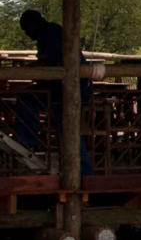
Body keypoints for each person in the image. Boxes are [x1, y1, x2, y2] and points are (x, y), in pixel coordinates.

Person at [17, 10, 91, 171]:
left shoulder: (51, 33)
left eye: (26, 30)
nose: (27, 34)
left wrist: (36, 68)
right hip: (61, 86)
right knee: (67, 128)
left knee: (68, 127)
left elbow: (52, 62)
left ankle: (31, 143)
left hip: (67, 87)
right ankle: (81, 169)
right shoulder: (49, 33)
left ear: (33, 24)